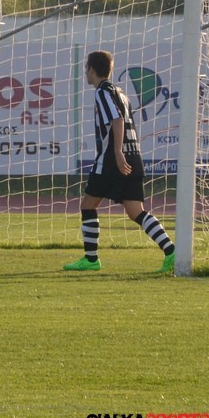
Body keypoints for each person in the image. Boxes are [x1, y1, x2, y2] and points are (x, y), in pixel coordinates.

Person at [63, 50, 176, 273]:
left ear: (91, 70)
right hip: (133, 156)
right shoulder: (121, 93)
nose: (86, 73)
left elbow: (117, 119)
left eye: (86, 69)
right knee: (136, 211)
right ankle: (172, 251)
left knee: (88, 205)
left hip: (113, 159)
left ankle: (91, 259)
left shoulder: (103, 91)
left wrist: (116, 151)